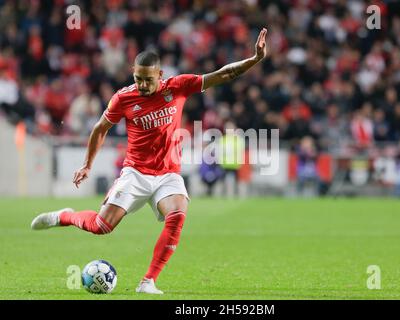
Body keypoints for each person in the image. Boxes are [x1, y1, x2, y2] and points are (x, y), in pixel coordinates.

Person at [30, 28, 268, 294]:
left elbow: (222, 74)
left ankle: (148, 281)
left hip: (168, 173)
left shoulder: (178, 87)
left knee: (178, 214)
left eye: (147, 80)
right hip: (135, 172)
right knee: (101, 226)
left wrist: (254, 59)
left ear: (160, 75)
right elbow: (100, 128)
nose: (142, 85)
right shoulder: (124, 98)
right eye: (137, 78)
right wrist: (87, 164)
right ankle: (65, 216)